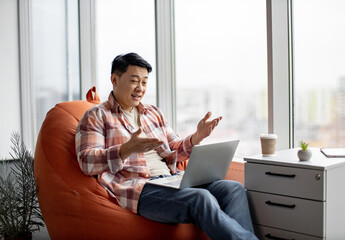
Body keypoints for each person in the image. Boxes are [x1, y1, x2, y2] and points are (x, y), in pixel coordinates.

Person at [75, 53, 257, 240]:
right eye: (134, 81)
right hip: (139, 188)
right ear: (115, 80)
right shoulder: (96, 116)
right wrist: (127, 149)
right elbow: (87, 162)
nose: (140, 88)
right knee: (201, 198)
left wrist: (196, 138)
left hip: (171, 180)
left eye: (144, 83)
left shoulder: (153, 113)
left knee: (233, 189)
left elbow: (175, 149)